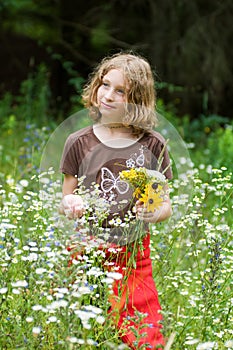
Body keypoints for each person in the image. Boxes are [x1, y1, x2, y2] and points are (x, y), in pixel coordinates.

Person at [59, 52, 172, 350]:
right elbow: (66, 196)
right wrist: (71, 205)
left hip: (134, 253)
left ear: (137, 99)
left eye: (120, 91)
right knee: (84, 331)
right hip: (86, 249)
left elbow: (165, 205)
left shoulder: (153, 144)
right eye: (104, 84)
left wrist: (154, 212)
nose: (107, 95)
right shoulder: (78, 142)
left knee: (145, 334)